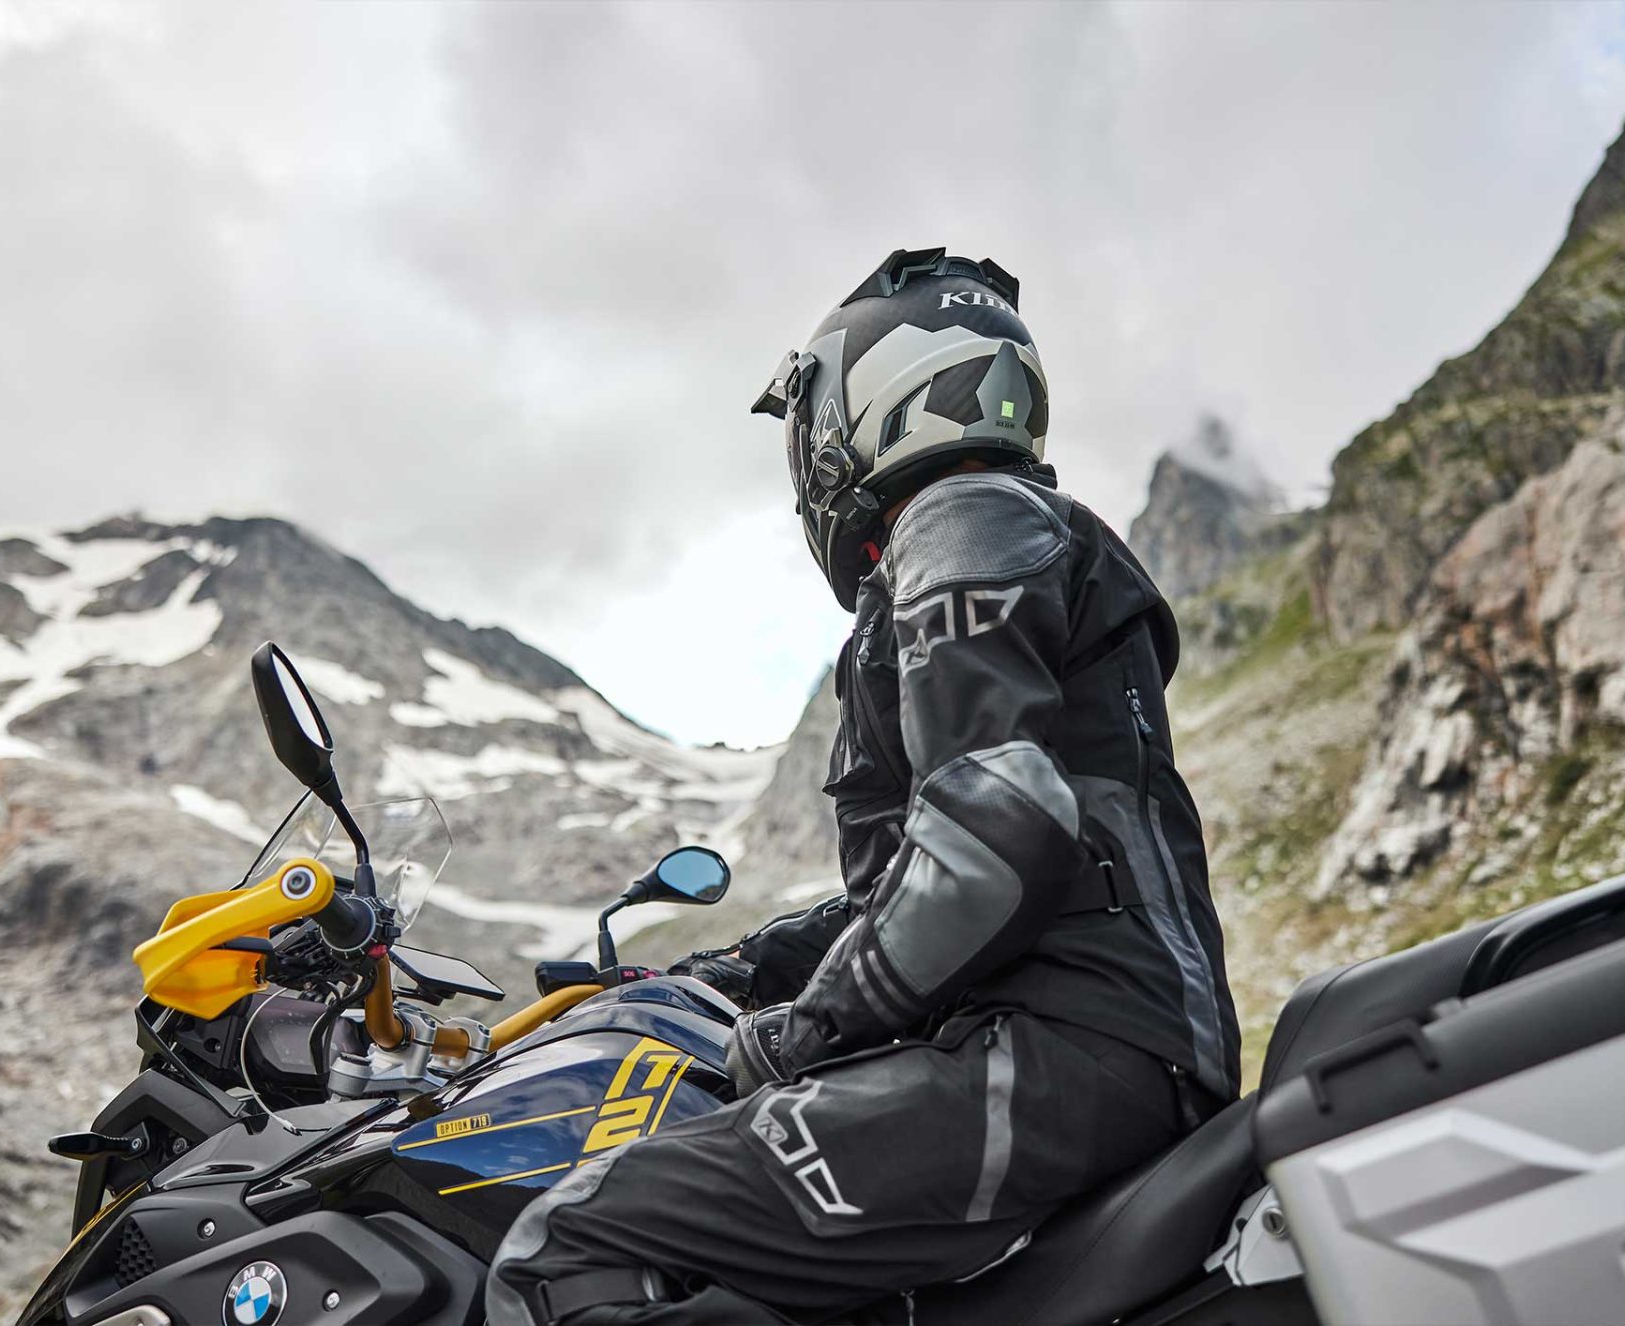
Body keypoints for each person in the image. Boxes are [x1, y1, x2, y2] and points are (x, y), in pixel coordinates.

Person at [486, 248, 1239, 1325]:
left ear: (869, 401)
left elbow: (999, 833)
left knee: (571, 1240)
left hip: (1058, 1056)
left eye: (812, 423)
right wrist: (730, 970)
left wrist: (810, 1032)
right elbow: (919, 878)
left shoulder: (962, 518)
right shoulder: (1004, 532)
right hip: (1101, 1049)